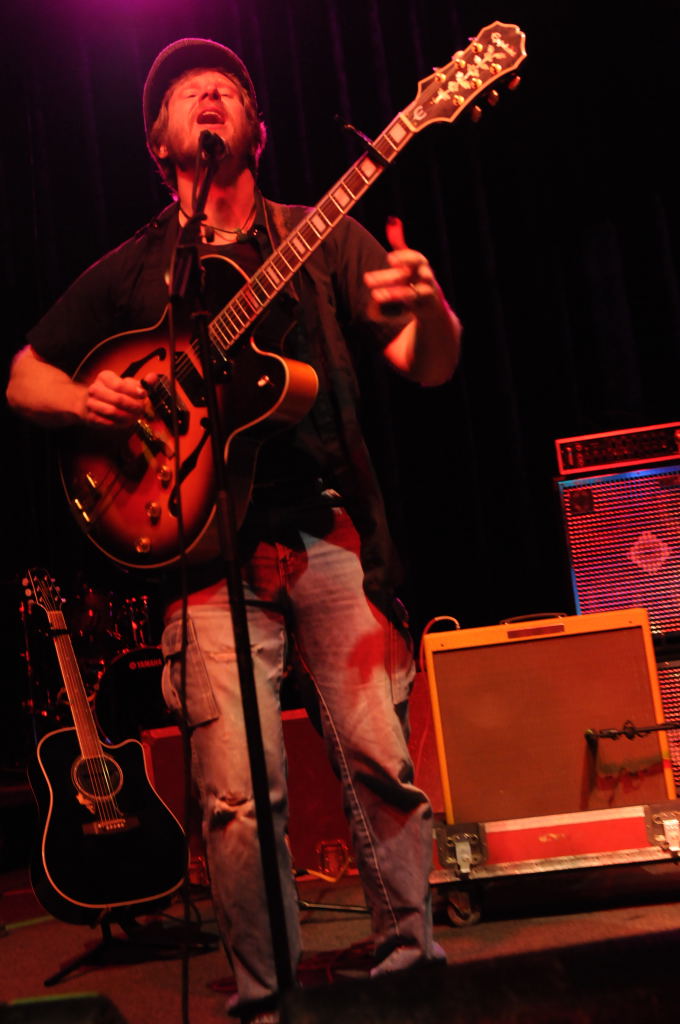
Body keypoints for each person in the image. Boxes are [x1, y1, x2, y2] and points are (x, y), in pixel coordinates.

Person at [7, 38, 461, 1024]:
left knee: (379, 763)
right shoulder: (137, 272)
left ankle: (410, 968)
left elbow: (427, 364)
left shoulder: (323, 233)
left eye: (227, 88)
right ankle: (267, 997)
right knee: (233, 798)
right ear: (156, 142)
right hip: (202, 554)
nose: (209, 93)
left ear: (257, 131)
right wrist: (85, 401)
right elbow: (22, 375)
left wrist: (429, 310)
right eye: (184, 92)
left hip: (324, 534)